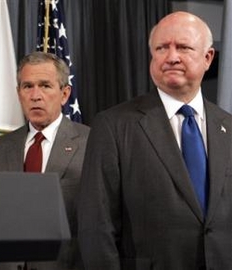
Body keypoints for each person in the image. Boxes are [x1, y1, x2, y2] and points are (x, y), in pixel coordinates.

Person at [78, 11, 232, 270]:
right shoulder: (113, 125)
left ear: (208, 58)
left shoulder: (228, 126)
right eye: (161, 48)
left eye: (183, 47)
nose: (171, 57)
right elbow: (96, 225)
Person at [0, 51, 90, 270]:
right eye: (27, 86)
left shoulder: (91, 143)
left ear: (65, 94)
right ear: (18, 92)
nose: (35, 95)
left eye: (45, 86)